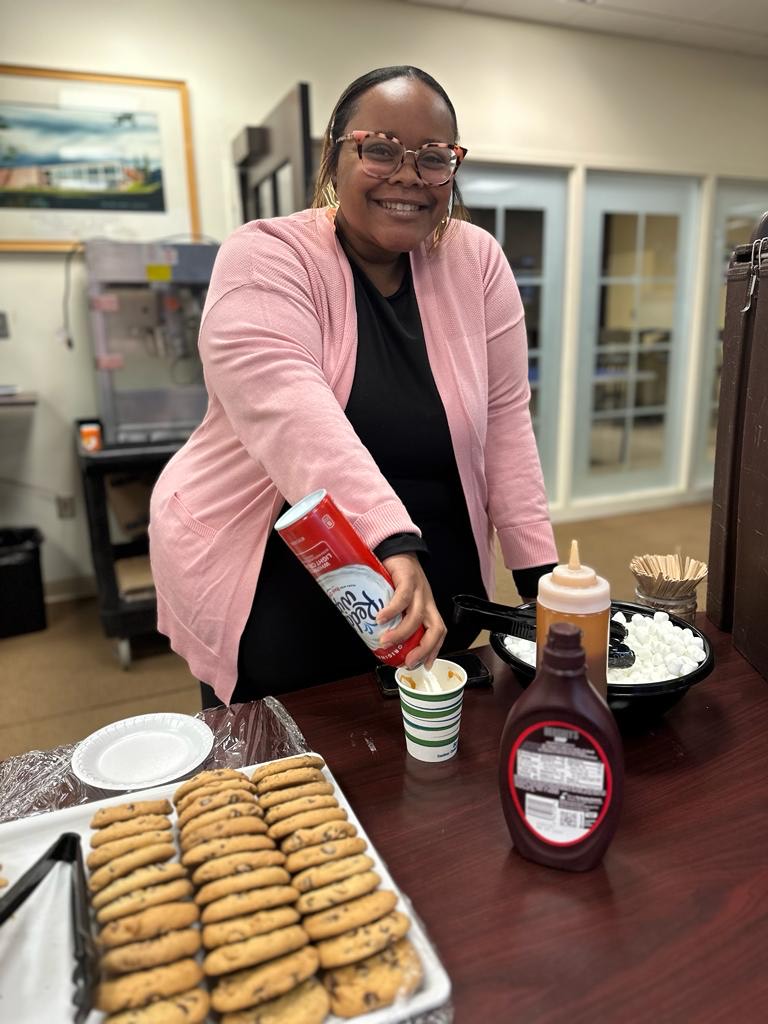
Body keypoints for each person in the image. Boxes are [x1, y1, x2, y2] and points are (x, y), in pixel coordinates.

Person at [149, 65, 558, 709]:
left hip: (433, 592)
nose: (408, 176)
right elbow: (291, 412)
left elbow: (505, 420)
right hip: (276, 583)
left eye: (432, 158)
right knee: (292, 768)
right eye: (380, 149)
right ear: (335, 155)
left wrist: (540, 574)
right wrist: (389, 540)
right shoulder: (265, 256)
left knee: (441, 784)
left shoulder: (475, 261)